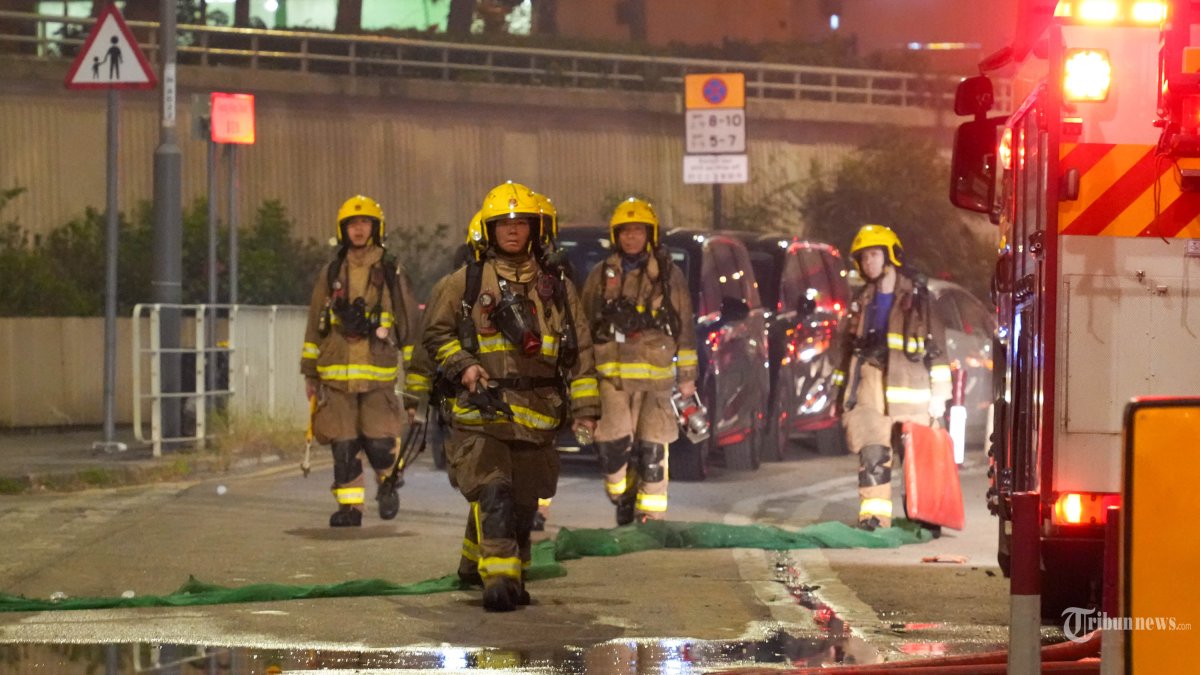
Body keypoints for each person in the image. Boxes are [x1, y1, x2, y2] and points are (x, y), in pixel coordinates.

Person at [421, 181, 599, 612]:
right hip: (482, 410)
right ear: (489, 231)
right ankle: (498, 581)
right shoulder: (464, 284)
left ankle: (489, 566)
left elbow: (581, 353)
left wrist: (587, 410)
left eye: (522, 223)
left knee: (523, 501)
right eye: (504, 223)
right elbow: (435, 335)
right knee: (494, 488)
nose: (513, 231)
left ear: (536, 230)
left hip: (537, 416)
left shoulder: (557, 290)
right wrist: (465, 366)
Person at [300, 195, 418, 527]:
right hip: (335, 377)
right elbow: (314, 325)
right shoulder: (331, 272)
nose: (358, 229)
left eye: (365, 222)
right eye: (353, 224)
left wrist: (415, 378)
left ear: (375, 227)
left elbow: (408, 325)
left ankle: (388, 483)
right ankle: (351, 508)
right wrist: (310, 372)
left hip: (378, 375)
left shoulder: (391, 270)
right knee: (344, 445)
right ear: (343, 229)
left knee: (380, 443)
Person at [580, 197, 697, 526]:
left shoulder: (669, 277)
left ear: (650, 234)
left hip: (657, 379)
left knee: (653, 449)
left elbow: (684, 328)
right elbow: (584, 325)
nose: (631, 238)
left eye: (638, 231)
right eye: (625, 232)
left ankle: (650, 516)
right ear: (616, 236)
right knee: (611, 449)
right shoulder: (600, 276)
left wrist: (687, 377)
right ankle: (622, 494)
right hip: (612, 376)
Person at [831, 224, 951, 530]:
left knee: (916, 455)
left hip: (910, 387)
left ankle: (925, 516)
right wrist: (840, 393)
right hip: (870, 385)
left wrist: (940, 395)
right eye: (863, 257)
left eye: (874, 254)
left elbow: (937, 350)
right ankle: (874, 517)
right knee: (872, 451)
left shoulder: (918, 297)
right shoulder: (861, 300)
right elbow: (844, 351)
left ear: (890, 256)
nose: (868, 262)